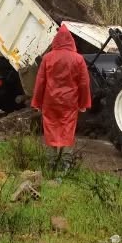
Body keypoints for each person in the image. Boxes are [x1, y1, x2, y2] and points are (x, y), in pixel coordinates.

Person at [30, 24, 92, 166]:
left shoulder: (47, 58)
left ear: (56, 41)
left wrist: (37, 103)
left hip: (50, 101)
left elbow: (40, 82)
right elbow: (84, 83)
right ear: (71, 41)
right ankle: (65, 164)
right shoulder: (78, 59)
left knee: (51, 128)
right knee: (67, 129)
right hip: (70, 102)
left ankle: (50, 162)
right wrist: (83, 104)